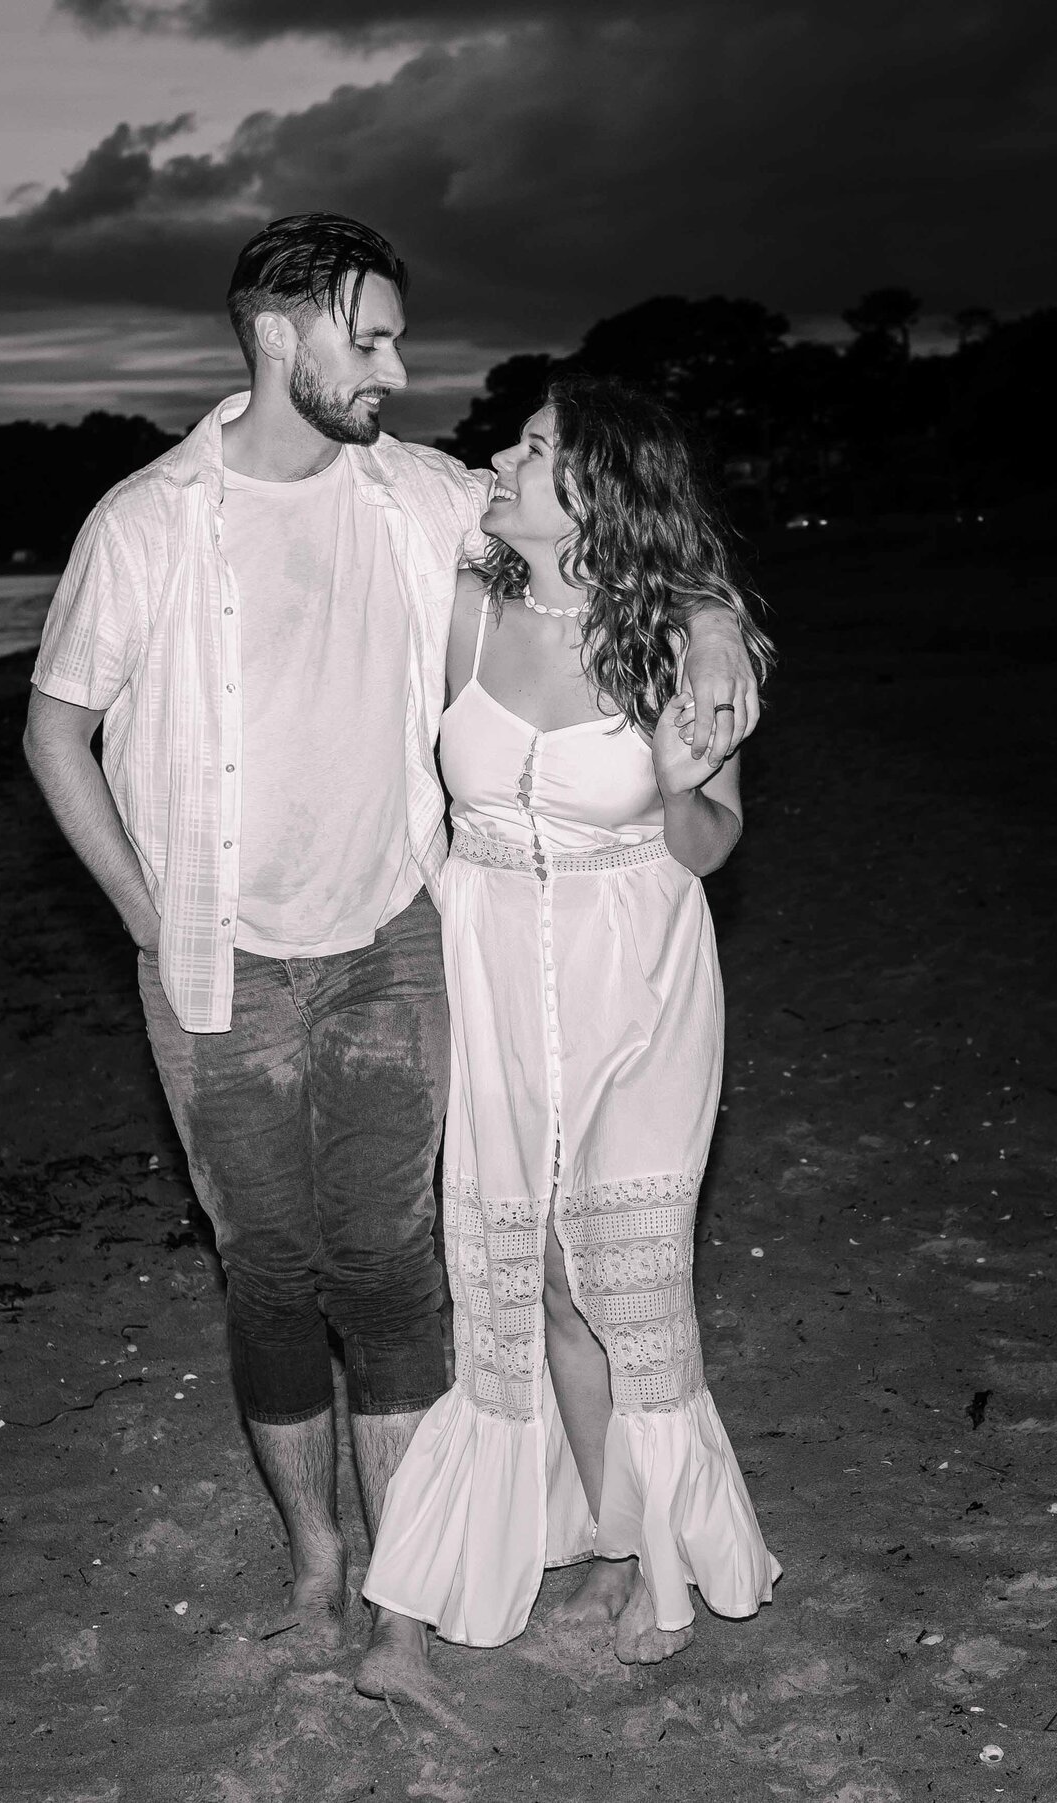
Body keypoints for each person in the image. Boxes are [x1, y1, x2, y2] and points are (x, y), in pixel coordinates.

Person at [22, 214, 761, 1667]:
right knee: (271, 1269)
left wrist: (719, 619)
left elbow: (628, 556)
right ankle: (319, 1563)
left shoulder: (419, 501)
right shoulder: (147, 522)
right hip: (227, 960)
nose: (399, 367)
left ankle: (410, 1585)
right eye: (371, 336)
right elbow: (57, 731)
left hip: (400, 950)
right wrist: (152, 918)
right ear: (279, 335)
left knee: (404, 1270)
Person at [361, 376, 781, 1700]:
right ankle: (599, 1526)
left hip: (636, 977)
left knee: (629, 1272)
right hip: (487, 969)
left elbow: (714, 843)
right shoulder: (464, 609)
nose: (504, 453)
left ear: (601, 493)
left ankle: (659, 1552)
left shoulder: (678, 643)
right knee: (533, 1275)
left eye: (536, 448)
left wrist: (673, 776)